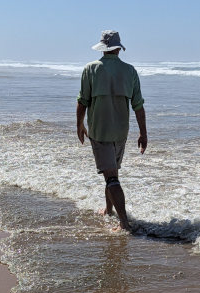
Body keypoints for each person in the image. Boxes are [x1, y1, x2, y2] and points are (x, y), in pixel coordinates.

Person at [76, 30, 147, 231]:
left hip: (99, 132)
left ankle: (124, 223)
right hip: (121, 132)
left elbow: (82, 101)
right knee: (111, 173)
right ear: (118, 48)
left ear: (103, 48)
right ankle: (109, 210)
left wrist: (79, 124)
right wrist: (143, 133)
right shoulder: (130, 71)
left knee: (112, 178)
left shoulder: (90, 69)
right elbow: (138, 106)